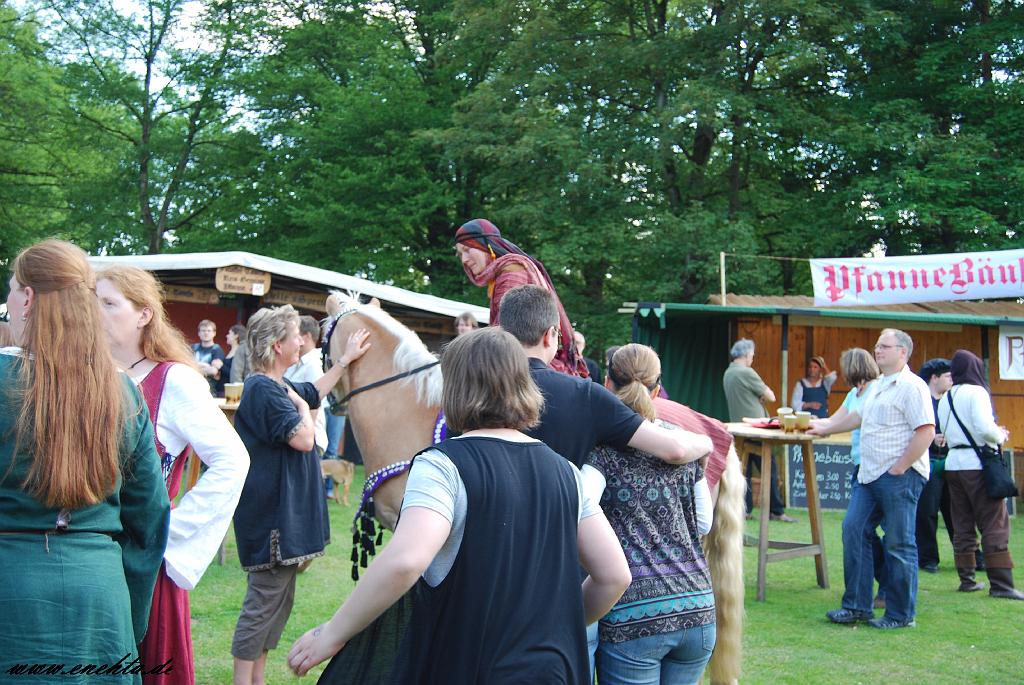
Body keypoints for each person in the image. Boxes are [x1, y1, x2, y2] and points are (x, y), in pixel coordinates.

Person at [287, 326, 630, 682]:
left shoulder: (442, 466)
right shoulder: (568, 473)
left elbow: (405, 561)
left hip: (470, 666)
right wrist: (561, 624)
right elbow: (614, 575)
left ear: (454, 387)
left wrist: (333, 633)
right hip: (555, 670)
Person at [497, 284, 711, 678]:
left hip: (492, 567)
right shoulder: (585, 395)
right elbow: (673, 452)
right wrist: (703, 439)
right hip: (568, 571)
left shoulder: (473, 392)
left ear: (500, 330)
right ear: (551, 336)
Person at [0, 240, 169, 680]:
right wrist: (125, 618)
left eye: (12, 290)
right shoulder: (124, 390)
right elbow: (149, 517)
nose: (8, 303)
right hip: (99, 595)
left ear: (29, 298)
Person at [96, 265, 251, 684]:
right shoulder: (92, 376)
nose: (96, 311)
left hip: (144, 565)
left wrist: (171, 529)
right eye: (93, 300)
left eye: (109, 302)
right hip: (92, 558)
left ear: (144, 314)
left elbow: (233, 460)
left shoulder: (175, 380)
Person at [231, 305, 370, 685]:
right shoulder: (264, 390)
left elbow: (313, 392)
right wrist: (301, 409)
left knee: (277, 603)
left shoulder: (280, 385)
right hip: (273, 518)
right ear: (278, 346)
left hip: (283, 515)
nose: (302, 341)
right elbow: (304, 438)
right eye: (295, 336)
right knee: (263, 604)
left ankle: (257, 679)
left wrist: (344, 360)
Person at [586, 344, 716, 685]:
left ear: (608, 386)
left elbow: (578, 509)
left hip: (633, 619)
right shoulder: (685, 446)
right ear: (658, 389)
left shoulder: (602, 452)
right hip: (697, 608)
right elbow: (704, 522)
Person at [811, 329, 933, 629]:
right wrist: (820, 428)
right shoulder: (877, 386)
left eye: (885, 346)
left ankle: (901, 615)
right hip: (868, 474)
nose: (877, 351)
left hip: (898, 476)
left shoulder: (912, 387)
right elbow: (855, 417)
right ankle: (857, 607)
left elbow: (926, 431)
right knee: (854, 529)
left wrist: (901, 467)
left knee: (899, 543)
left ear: (902, 352)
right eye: (877, 346)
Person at [937, 350, 1022, 600]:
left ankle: (967, 580)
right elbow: (986, 430)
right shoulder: (977, 392)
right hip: (978, 465)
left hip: (954, 465)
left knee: (962, 523)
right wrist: (1001, 434)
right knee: (994, 522)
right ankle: (1002, 585)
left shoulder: (945, 397)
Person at [454, 217, 586, 376]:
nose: (464, 260)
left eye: (467, 250)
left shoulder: (511, 273)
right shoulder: (506, 272)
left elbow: (507, 335)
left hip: (529, 371)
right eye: (460, 254)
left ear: (487, 246)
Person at [812, 348, 886, 609]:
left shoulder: (876, 390)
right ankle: (882, 585)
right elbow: (834, 419)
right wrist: (809, 424)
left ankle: (886, 588)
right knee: (860, 529)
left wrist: (825, 429)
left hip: (880, 469)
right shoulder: (855, 393)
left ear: (854, 367)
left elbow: (853, 421)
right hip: (861, 467)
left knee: (865, 529)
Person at [723, 338, 796, 522]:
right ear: (747, 355)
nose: (752, 359)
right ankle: (776, 511)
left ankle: (745, 509)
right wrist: (761, 396)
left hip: (739, 428)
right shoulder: (747, 372)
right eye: (752, 355)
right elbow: (770, 396)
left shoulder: (729, 372)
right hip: (756, 428)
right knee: (768, 467)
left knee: (744, 470)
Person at [915, 358, 956, 574]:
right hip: (928, 463)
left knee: (956, 512)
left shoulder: (951, 401)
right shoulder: (922, 401)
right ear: (934, 378)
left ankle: (968, 556)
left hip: (950, 463)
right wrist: (932, 439)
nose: (952, 380)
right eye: (948, 376)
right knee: (927, 512)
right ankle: (928, 558)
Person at [192, 319, 226, 395]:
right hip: (192, 387)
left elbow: (213, 371)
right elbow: (186, 366)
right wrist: (206, 366)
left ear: (214, 333)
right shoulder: (193, 347)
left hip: (210, 390)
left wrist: (195, 367)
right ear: (199, 333)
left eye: (209, 331)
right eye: (203, 330)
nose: (206, 333)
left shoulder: (217, 350)